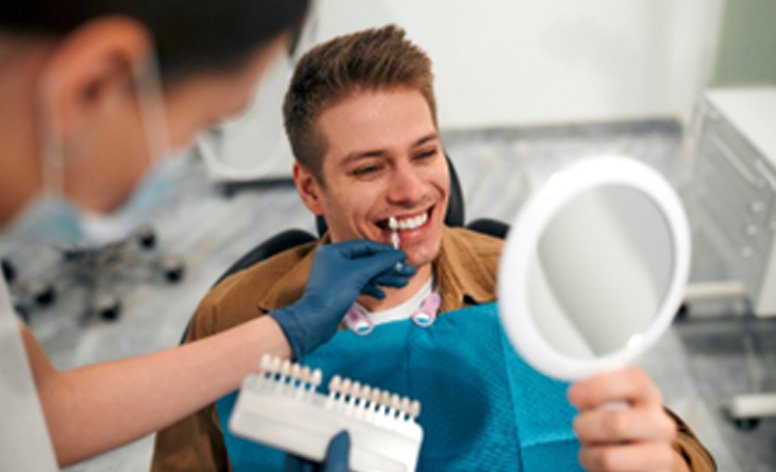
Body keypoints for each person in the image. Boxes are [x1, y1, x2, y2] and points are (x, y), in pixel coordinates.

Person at [152, 25, 716, 472]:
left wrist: (661, 462)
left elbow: (680, 453)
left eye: (424, 154)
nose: (411, 190)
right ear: (309, 188)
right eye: (370, 167)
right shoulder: (230, 321)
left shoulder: (533, 287)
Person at [0, 3, 414, 470]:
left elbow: (37, 415)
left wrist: (289, 329)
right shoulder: (227, 306)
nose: (409, 191)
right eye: (204, 126)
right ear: (92, 86)